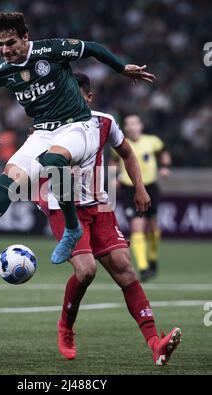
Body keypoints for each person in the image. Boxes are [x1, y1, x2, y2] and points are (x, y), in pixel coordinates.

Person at [0, 11, 155, 265]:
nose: (5, 50)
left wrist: (121, 68)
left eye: (10, 43)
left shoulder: (50, 50)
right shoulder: (0, 70)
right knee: (11, 175)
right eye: (0, 44)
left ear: (25, 38)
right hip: (43, 131)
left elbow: (92, 48)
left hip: (78, 125)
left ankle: (72, 229)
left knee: (54, 159)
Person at [37, 73, 181, 366]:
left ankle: (155, 343)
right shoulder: (47, 128)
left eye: (72, 96)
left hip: (99, 207)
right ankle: (66, 326)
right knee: (87, 270)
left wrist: (139, 187)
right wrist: (43, 195)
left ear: (88, 98)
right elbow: (33, 166)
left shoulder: (105, 123)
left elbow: (127, 153)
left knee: (126, 271)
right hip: (66, 210)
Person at [113, 114, 171, 281]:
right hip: (129, 188)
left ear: (141, 126)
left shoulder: (153, 141)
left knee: (153, 226)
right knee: (137, 226)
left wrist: (165, 167)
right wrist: (114, 178)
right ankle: (144, 267)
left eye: (134, 123)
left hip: (150, 186)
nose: (131, 127)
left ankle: (152, 258)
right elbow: (114, 162)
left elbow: (164, 154)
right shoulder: (120, 142)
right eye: (128, 124)